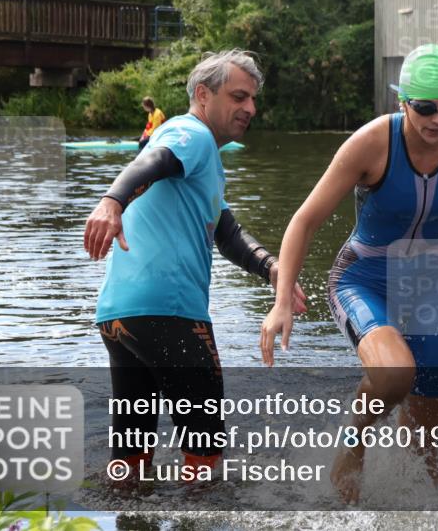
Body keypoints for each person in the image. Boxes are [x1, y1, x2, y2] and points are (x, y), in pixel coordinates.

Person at [259, 44, 438, 503]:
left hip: (429, 285)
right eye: (425, 108)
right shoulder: (372, 142)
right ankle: (352, 443)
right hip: (363, 278)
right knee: (395, 374)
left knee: (424, 449)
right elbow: (304, 221)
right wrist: (281, 303)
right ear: (403, 103)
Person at [84, 50, 306, 485]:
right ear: (203, 95)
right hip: (170, 312)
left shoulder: (202, 161)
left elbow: (226, 230)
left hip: (119, 316)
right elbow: (153, 162)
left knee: (130, 454)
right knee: (205, 453)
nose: (250, 108)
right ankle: (203, 511)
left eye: (253, 99)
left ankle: (127, 509)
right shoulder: (192, 134)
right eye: (239, 97)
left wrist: (271, 267)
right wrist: (111, 201)